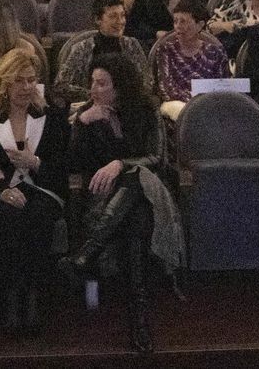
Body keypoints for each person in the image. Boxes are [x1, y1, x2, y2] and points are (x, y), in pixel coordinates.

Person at [60, 53, 184, 354]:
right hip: (109, 198)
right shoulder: (88, 115)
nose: (93, 89)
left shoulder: (145, 110)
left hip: (152, 189)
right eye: (92, 82)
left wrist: (119, 163)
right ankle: (140, 319)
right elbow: (73, 164)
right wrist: (81, 125)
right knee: (137, 222)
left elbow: (157, 159)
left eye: (101, 84)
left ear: (120, 87)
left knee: (136, 177)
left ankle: (86, 253)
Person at [0, 48, 69, 333]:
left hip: (44, 189)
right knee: (10, 214)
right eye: (19, 81)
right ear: (5, 84)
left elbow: (61, 170)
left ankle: (34, 294)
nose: (26, 87)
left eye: (31, 80)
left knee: (36, 214)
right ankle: (12, 296)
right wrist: (1, 190)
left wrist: (34, 163)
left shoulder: (50, 118)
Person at [53, 0, 151, 106]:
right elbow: (61, 85)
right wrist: (97, 94)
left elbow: (146, 83)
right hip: (91, 106)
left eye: (122, 15)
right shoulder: (83, 48)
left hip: (127, 106)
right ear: (98, 20)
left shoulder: (132, 44)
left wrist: (120, 97)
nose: (120, 21)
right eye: (113, 16)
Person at [151, 3, 230, 120]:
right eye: (175, 21)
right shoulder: (166, 49)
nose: (177, 26)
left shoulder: (215, 51)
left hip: (211, 105)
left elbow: (222, 85)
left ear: (200, 25)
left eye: (183, 21)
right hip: (177, 107)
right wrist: (195, 101)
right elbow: (165, 88)